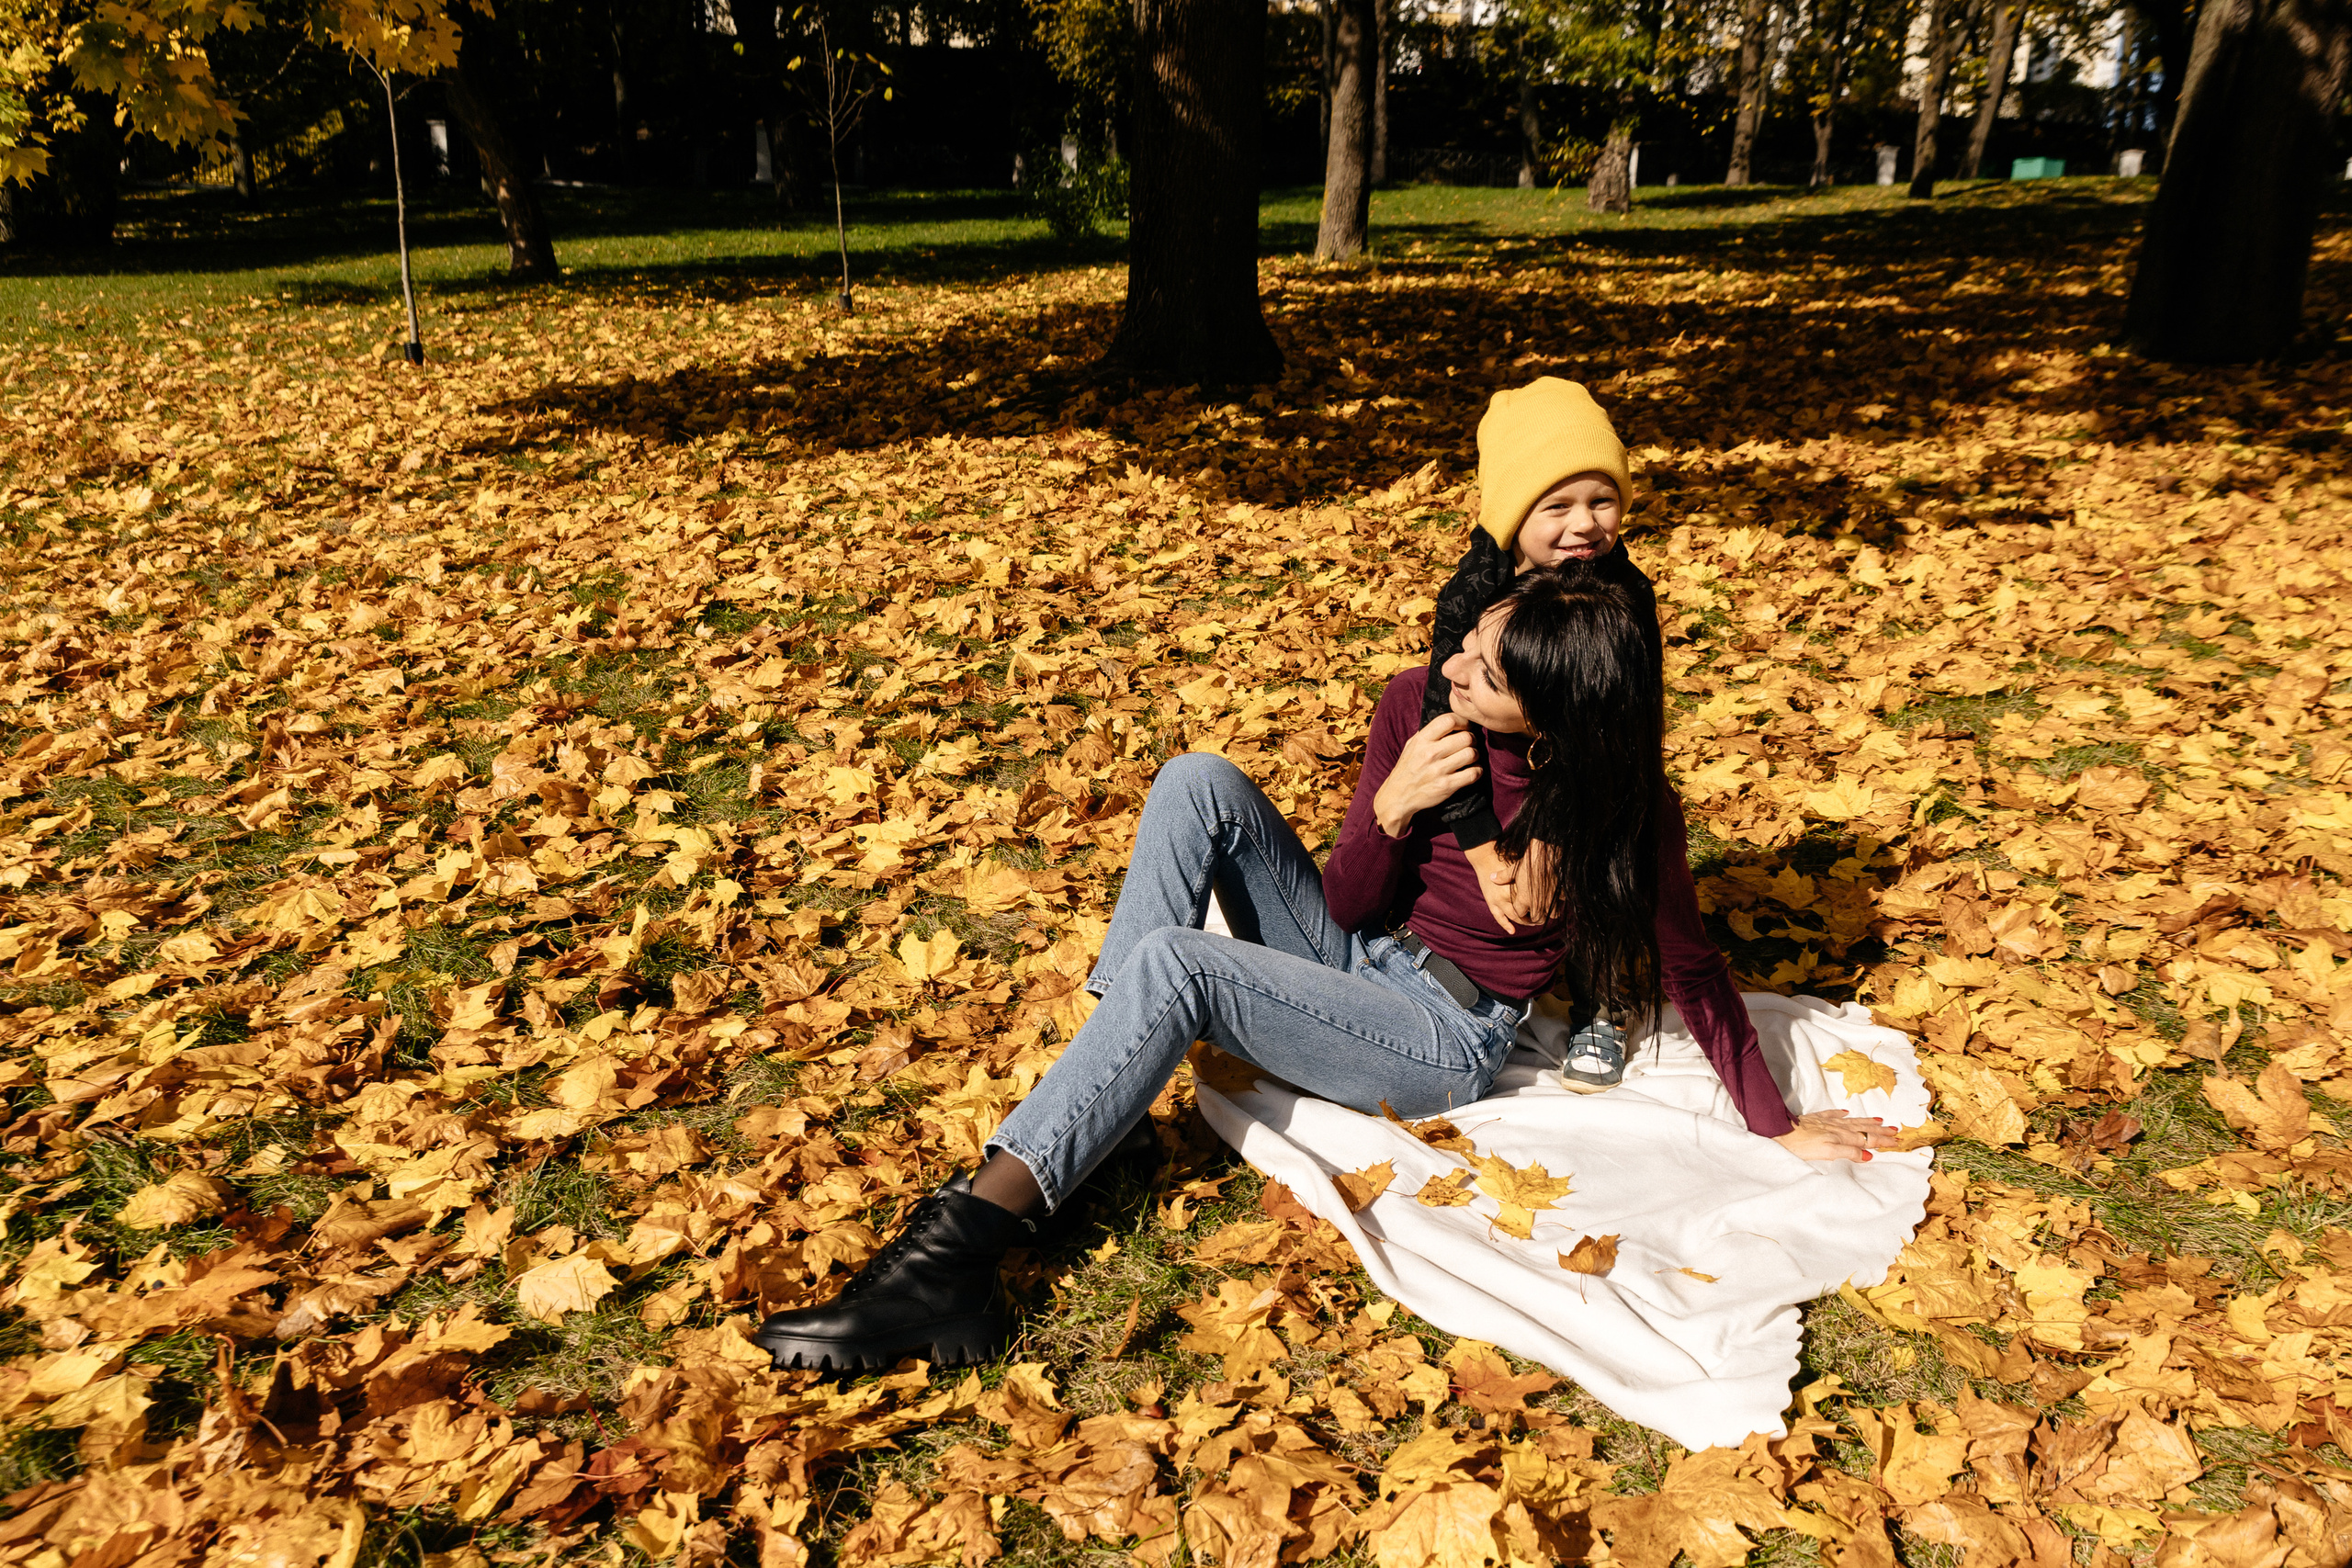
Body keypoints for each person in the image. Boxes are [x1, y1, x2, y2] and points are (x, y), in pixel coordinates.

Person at [752, 563, 1896, 1375]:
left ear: (1547, 721)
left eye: (1487, 671)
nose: (1452, 665)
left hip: (1442, 1036)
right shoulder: (1420, 706)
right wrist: (1393, 808)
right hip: (1358, 954)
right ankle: (1097, 1115)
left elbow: (1691, 968)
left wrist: (1773, 1123)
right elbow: (1348, 905)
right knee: (1196, 778)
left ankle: (953, 1262)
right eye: (1471, 639)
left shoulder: (1615, 811)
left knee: (1180, 964)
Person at [1425, 377, 1658, 1091]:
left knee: (1617, 849)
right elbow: (1446, 712)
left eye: (1602, 499)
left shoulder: (1625, 599)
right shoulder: (1473, 594)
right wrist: (1482, 849)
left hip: (1597, 778)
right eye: (1557, 506)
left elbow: (1629, 734)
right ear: (1511, 516)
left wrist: (1557, 833)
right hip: (1496, 773)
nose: (1584, 523)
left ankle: (1604, 993)